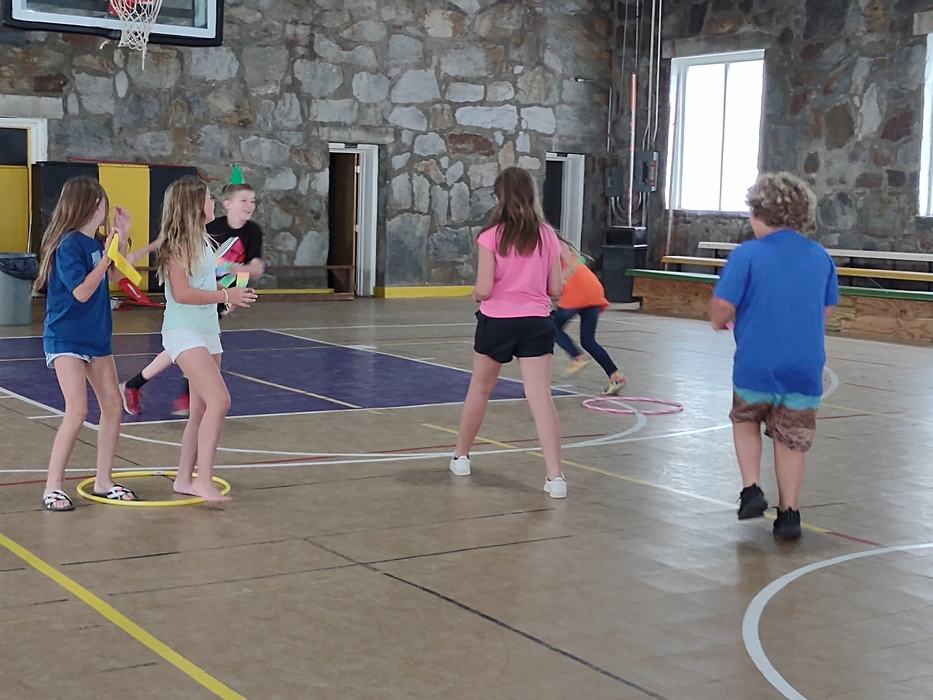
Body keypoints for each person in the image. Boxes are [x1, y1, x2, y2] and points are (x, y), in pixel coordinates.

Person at [710, 172, 838, 539]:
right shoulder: (820, 257)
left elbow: (723, 304)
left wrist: (721, 321)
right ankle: (790, 513)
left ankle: (751, 488)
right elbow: (826, 310)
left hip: (756, 364)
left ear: (759, 214)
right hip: (804, 368)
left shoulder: (748, 254)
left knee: (745, 418)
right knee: (792, 439)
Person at [450, 167, 567, 498]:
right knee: (540, 397)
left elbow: (485, 289)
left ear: (499, 197)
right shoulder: (547, 236)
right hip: (536, 322)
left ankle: (461, 456)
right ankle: (555, 477)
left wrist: (475, 291)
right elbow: (555, 287)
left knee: (480, 389)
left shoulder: (490, 236)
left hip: (497, 321)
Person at [33, 176, 141, 511]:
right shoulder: (68, 245)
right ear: (92, 205)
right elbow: (81, 291)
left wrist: (120, 241)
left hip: (96, 338)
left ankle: (104, 480)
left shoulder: (96, 243)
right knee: (77, 410)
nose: (106, 208)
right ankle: (52, 487)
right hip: (66, 337)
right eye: (103, 202)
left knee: (112, 406)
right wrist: (107, 259)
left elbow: (109, 278)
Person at [120, 180, 264, 417]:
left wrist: (245, 273)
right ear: (228, 204)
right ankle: (172, 390)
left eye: (252, 201)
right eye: (244, 200)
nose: (249, 205)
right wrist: (140, 252)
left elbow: (256, 263)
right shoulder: (211, 226)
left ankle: (146, 385)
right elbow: (172, 240)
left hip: (212, 294)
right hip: (202, 297)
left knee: (189, 349)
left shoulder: (252, 231)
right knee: (186, 348)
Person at [156, 176, 257, 502]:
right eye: (209, 198)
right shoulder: (177, 246)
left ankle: (184, 479)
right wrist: (225, 294)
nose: (213, 202)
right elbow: (183, 294)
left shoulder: (202, 241)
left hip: (207, 331)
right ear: (195, 206)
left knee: (200, 410)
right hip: (182, 331)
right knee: (220, 401)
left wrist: (231, 294)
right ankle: (204, 478)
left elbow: (208, 284)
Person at [552, 237, 626, 394]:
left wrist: (562, 278)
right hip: (592, 289)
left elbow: (575, 262)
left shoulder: (551, 243)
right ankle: (616, 376)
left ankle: (577, 356)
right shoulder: (552, 246)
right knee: (588, 340)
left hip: (578, 291)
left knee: (551, 327)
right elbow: (579, 259)